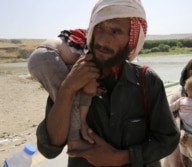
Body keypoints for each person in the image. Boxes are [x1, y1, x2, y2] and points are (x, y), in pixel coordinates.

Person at [34, 0, 180, 167]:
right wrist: (68, 89)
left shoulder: (147, 81)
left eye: (116, 31)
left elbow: (168, 140)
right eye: (99, 27)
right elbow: (49, 149)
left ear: (131, 39)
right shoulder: (71, 75)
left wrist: (121, 158)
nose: (103, 40)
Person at [28, 29, 100, 152]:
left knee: (72, 95)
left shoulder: (80, 38)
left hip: (42, 58)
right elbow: (85, 64)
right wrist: (92, 84)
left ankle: (79, 131)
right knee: (69, 98)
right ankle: (74, 141)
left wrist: (83, 121)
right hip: (47, 57)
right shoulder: (92, 42)